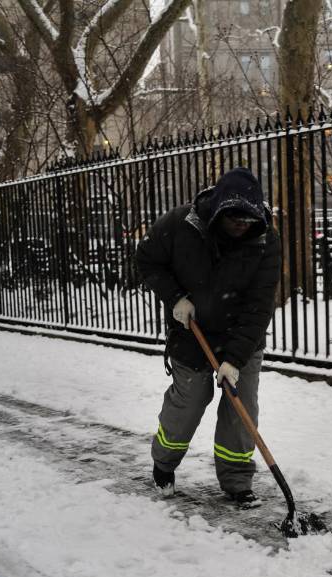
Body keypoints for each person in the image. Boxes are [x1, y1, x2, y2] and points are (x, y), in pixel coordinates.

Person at [135, 167, 282, 507]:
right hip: (191, 331)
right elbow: (147, 261)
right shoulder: (179, 224)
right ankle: (164, 462)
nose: (241, 225)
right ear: (217, 210)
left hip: (241, 336)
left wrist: (234, 359)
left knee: (240, 403)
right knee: (190, 403)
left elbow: (259, 306)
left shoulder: (265, 240)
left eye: (248, 218)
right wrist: (175, 298)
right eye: (234, 218)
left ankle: (236, 481)